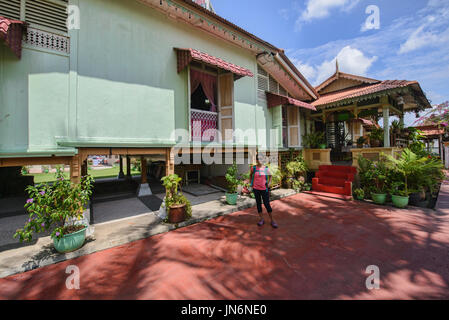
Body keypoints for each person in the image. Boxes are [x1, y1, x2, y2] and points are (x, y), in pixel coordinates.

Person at [250, 154, 278, 228]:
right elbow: (250, 175)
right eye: (258, 159)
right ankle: (261, 219)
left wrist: (269, 183)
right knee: (258, 204)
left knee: (267, 204)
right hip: (256, 189)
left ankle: (272, 220)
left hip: (264, 189)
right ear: (256, 160)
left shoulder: (265, 168)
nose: (260, 161)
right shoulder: (253, 168)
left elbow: (270, 176)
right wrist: (251, 184)